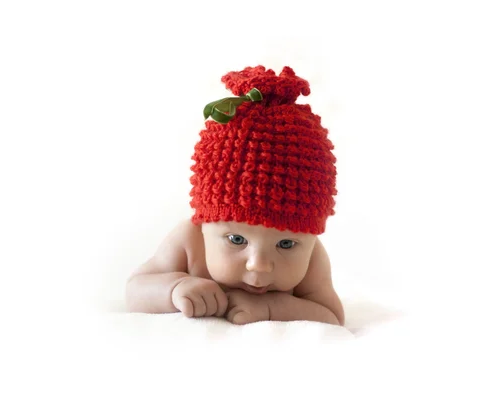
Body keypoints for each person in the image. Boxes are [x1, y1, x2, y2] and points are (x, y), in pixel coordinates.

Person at [125, 65, 345, 326]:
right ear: (204, 222)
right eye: (236, 239)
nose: (259, 265)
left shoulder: (312, 258)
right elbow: (135, 289)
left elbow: (332, 317)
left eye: (285, 244)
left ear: (311, 233)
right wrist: (174, 289)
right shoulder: (190, 240)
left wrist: (273, 308)